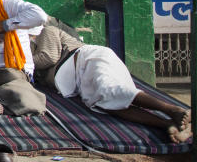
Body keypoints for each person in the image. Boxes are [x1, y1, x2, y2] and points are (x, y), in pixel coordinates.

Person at [32, 24, 192, 143]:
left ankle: (173, 110)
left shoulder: (46, 31)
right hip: (80, 80)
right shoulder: (29, 46)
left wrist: (16, 62)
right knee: (105, 104)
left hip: (87, 60)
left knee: (109, 91)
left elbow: (48, 57)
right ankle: (167, 124)